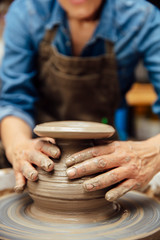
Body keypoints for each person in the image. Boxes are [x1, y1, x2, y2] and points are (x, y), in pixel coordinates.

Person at [0, 0, 160, 202]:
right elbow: (14, 101)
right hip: (37, 152)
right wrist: (17, 147)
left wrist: (153, 152)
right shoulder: (28, 11)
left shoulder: (141, 16)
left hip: (103, 152)